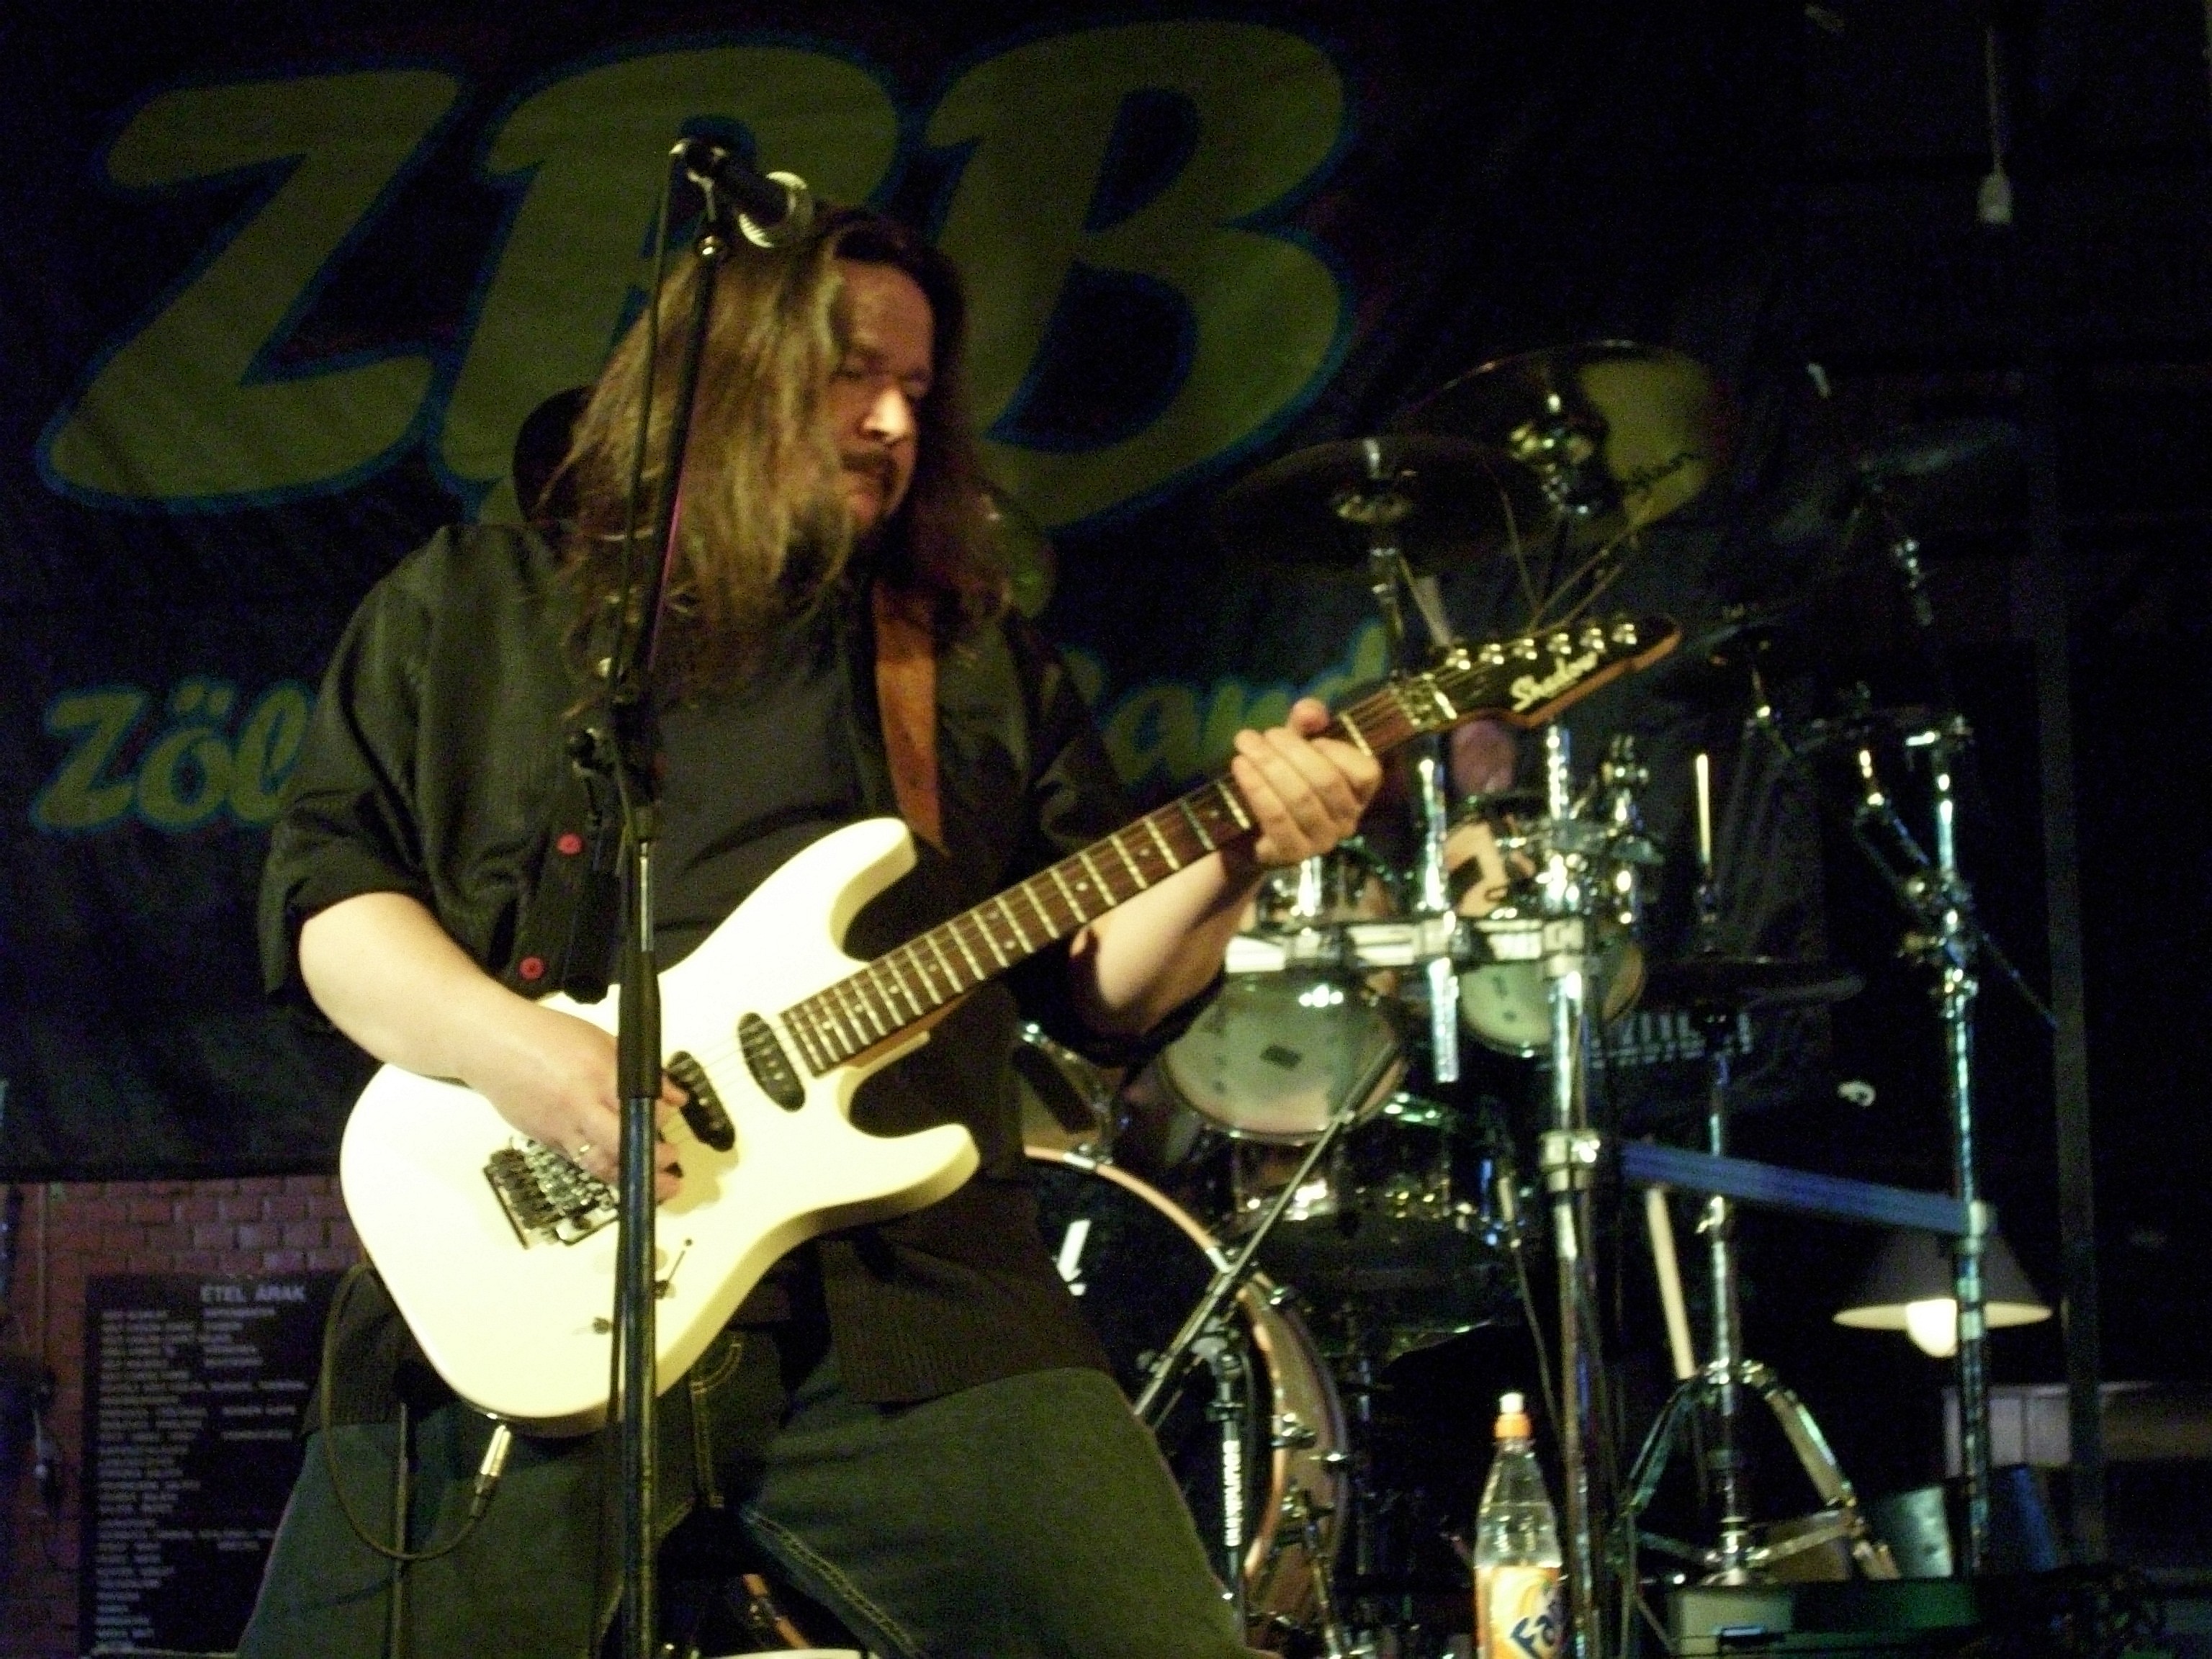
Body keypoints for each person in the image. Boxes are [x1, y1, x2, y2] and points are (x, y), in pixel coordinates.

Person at [240, 207, 1380, 1659]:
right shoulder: (478, 606)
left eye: (916, 388)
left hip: (919, 1304)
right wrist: (514, 1052)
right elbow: (331, 895)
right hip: (522, 1281)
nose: (895, 420)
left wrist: (1236, 854)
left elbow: (1101, 995)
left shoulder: (962, 658)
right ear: (720, 379)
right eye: (853, 375)